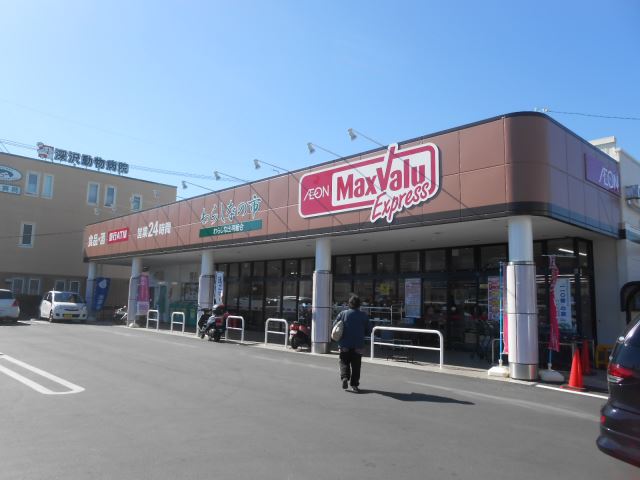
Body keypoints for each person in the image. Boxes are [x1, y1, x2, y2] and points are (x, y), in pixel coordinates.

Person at [334, 294, 370, 393]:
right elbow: (369, 330)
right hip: (358, 344)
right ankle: (354, 385)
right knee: (356, 366)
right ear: (359, 305)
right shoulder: (363, 315)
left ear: (349, 304)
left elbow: (335, 326)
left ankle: (345, 377)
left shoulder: (343, 314)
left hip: (344, 344)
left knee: (344, 362)